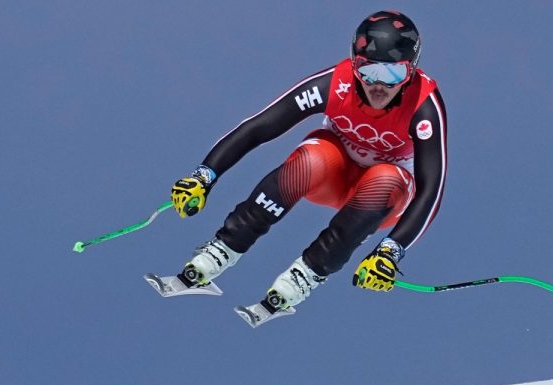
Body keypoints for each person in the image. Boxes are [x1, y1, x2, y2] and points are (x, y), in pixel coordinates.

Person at [169, 10, 447, 324]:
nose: (378, 86)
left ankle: (302, 277)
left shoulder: (423, 105)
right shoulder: (335, 84)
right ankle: (220, 250)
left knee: (385, 178)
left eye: (392, 75)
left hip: (381, 198)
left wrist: (391, 250)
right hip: (332, 175)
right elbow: (260, 127)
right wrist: (204, 175)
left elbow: (431, 189)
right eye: (367, 71)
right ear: (354, 63)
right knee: (312, 158)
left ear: (411, 72)